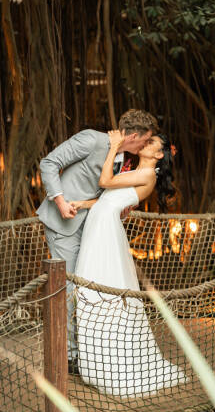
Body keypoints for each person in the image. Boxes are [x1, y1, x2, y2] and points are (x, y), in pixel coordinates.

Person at [70, 131, 186, 396]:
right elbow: (107, 200)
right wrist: (83, 203)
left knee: (103, 290)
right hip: (99, 226)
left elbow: (105, 181)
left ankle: (114, 364)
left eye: (152, 142)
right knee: (92, 291)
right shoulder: (136, 171)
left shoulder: (148, 174)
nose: (145, 142)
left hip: (105, 233)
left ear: (159, 154)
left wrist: (113, 146)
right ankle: (97, 364)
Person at [37, 109, 158, 363]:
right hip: (64, 224)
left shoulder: (122, 158)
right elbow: (49, 163)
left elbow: (104, 194)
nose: (146, 145)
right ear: (134, 136)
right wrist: (60, 202)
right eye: (145, 140)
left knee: (86, 287)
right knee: (68, 288)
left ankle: (84, 350)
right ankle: (69, 356)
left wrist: (118, 207)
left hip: (92, 229)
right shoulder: (92, 139)